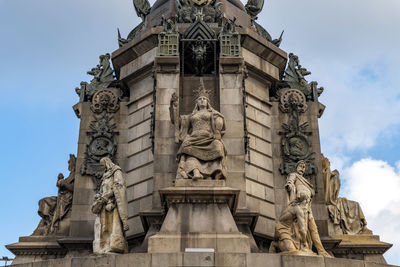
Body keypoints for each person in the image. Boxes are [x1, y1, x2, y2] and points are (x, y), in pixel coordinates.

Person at [273, 160, 332, 257]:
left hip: (307, 207)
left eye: (304, 167)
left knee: (314, 229)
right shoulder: (294, 175)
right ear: (296, 167)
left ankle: (321, 250)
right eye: (300, 166)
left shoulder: (306, 182)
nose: (302, 168)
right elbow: (290, 182)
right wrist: (289, 186)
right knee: (301, 227)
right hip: (299, 205)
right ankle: (303, 246)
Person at [171, 81, 227, 180]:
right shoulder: (191, 116)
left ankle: (214, 172)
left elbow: (219, 119)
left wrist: (217, 130)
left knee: (218, 145)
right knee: (187, 148)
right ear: (196, 102)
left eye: (204, 99)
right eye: (200, 99)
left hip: (208, 137)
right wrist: (174, 108)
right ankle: (196, 172)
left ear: (207, 102)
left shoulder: (212, 113)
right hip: (193, 138)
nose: (202, 100)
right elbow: (177, 121)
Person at [91, 157, 129, 254]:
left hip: (112, 204)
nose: (103, 168)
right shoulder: (105, 176)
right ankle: (104, 247)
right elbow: (101, 190)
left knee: (113, 226)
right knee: (104, 227)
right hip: (103, 204)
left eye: (103, 165)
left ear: (107, 163)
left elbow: (119, 186)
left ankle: (114, 246)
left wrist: (108, 196)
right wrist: (99, 196)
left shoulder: (116, 171)